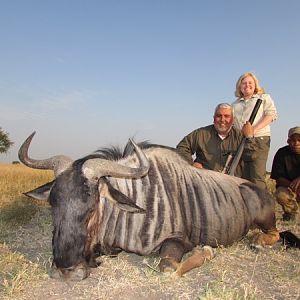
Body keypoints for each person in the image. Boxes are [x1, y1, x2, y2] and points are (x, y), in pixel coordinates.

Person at [176, 103, 253, 176]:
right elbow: (181, 148)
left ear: (233, 120)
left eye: (226, 116)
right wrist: (191, 163)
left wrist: (249, 137)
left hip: (232, 183)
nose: (222, 120)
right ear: (214, 118)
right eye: (219, 116)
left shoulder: (241, 136)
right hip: (205, 180)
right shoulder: (200, 133)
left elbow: (253, 157)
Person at [232, 72, 278, 189]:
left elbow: (271, 115)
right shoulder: (234, 104)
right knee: (240, 177)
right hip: (240, 141)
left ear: (255, 84)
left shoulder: (264, 98)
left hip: (259, 139)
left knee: (256, 177)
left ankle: (262, 205)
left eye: (250, 82)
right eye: (244, 83)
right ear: (239, 86)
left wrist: (252, 130)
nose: (247, 85)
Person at [270, 126, 300, 221]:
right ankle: (290, 213)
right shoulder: (281, 153)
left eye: (299, 140)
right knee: (280, 194)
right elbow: (278, 178)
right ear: (288, 141)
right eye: (293, 140)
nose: (296, 143)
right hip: (289, 188)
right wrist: (295, 187)